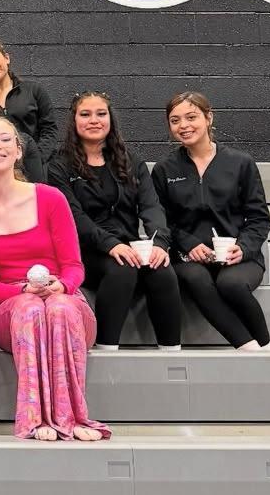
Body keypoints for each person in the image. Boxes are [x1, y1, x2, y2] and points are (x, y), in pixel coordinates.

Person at [0, 116, 109, 442]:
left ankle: (72, 417)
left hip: (63, 301)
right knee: (30, 308)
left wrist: (61, 286)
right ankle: (34, 419)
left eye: (5, 139)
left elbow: (74, 267)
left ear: (19, 151)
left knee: (59, 307)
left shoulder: (49, 198)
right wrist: (24, 290)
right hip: (13, 309)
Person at [50, 93, 182, 350]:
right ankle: (106, 346)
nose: (94, 120)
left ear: (110, 119)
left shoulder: (131, 160)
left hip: (127, 246)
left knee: (162, 270)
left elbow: (151, 206)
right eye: (85, 114)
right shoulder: (59, 166)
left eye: (101, 114)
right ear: (74, 120)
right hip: (85, 251)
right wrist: (110, 244)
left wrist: (159, 243)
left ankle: (171, 351)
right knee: (122, 269)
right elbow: (74, 217)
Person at [152, 92, 270, 351]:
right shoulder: (164, 169)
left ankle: (266, 344)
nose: (183, 125)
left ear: (208, 118)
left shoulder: (241, 163)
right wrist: (188, 243)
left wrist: (243, 248)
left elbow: (259, 218)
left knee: (231, 284)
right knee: (196, 278)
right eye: (175, 120)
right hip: (187, 257)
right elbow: (162, 220)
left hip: (238, 257)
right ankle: (253, 348)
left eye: (191, 117)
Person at [0, 38, 58, 161]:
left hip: (37, 163)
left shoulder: (33, 90)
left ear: (6, 58)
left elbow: (49, 129)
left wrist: (36, 159)